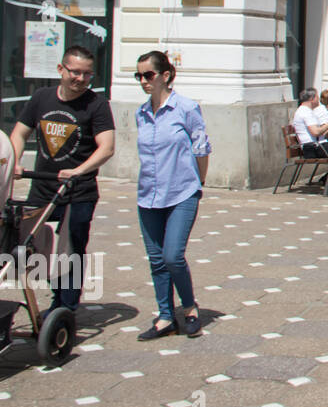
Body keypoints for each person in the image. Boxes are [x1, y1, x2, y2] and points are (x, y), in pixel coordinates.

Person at [10, 45, 115, 330]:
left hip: (78, 191)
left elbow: (107, 148)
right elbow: (19, 133)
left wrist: (78, 171)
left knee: (71, 250)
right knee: (32, 245)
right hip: (43, 188)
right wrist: (15, 163)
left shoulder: (96, 104)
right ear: (61, 70)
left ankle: (65, 306)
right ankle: (54, 294)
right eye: (75, 72)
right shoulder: (41, 98)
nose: (80, 79)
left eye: (87, 74)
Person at [133, 50, 211, 340]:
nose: (143, 81)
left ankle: (189, 309)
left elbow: (202, 148)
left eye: (148, 75)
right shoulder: (141, 113)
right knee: (156, 260)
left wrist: (199, 182)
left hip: (181, 192)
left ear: (165, 75)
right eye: (139, 76)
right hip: (148, 195)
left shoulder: (187, 108)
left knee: (172, 256)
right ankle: (166, 317)